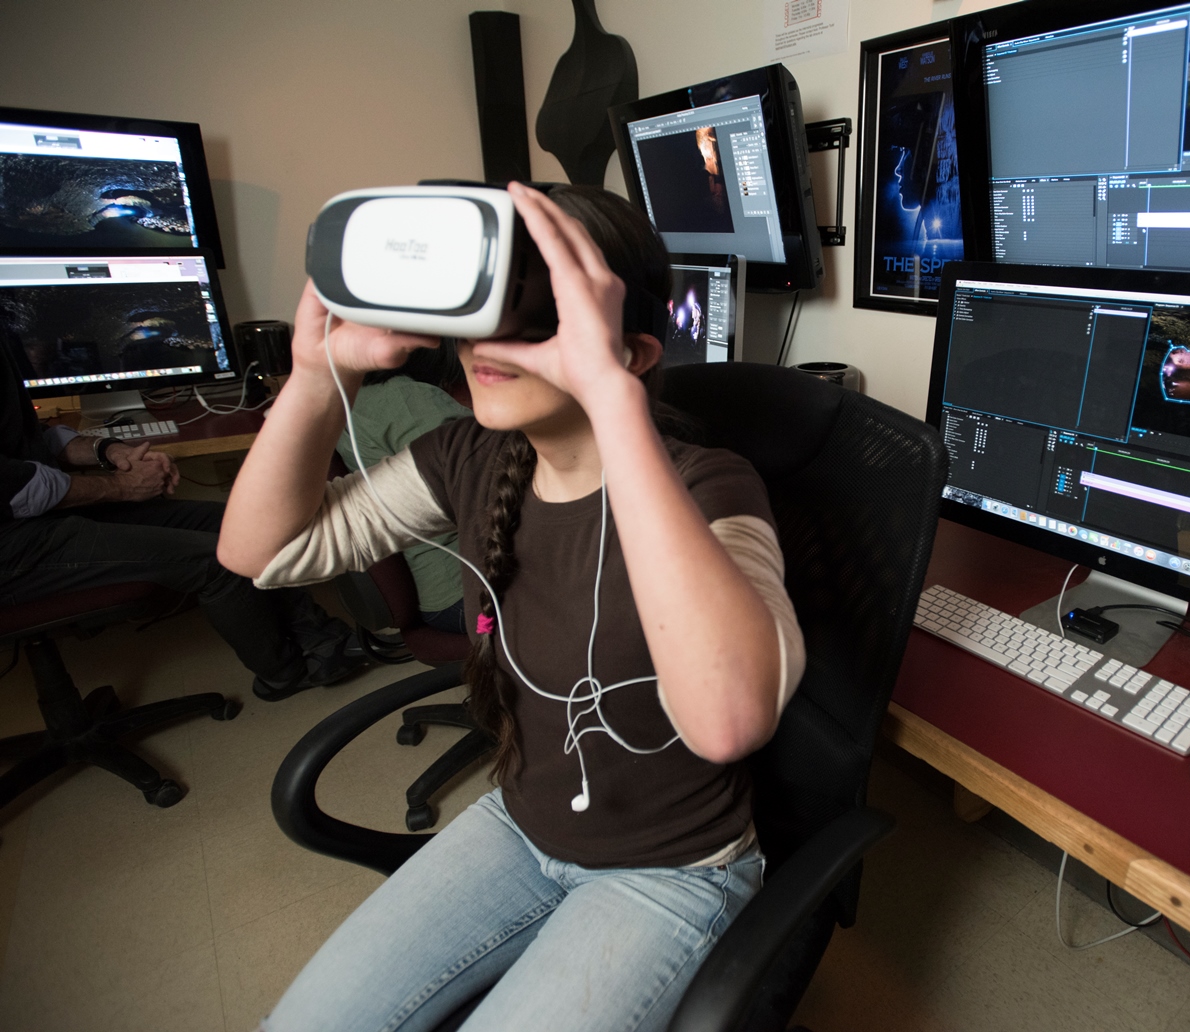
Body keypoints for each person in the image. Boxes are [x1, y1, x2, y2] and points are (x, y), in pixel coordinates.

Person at [219, 182, 804, 1032]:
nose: (487, 344)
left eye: (537, 317)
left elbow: (725, 723)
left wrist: (612, 400)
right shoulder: (470, 456)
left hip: (671, 871)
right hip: (517, 826)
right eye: (488, 306)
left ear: (630, 351)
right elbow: (260, 553)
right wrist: (316, 379)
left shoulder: (711, 486)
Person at [0, 343, 363, 702]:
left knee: (240, 525)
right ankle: (283, 674)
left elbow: (35, 438)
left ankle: (323, 641)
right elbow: (13, 485)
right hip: (15, 543)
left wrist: (111, 451)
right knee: (218, 563)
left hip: (42, 509)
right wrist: (122, 487)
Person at [336, 340, 471, 632]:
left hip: (437, 589)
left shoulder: (355, 394)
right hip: (467, 594)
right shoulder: (408, 400)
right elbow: (485, 492)